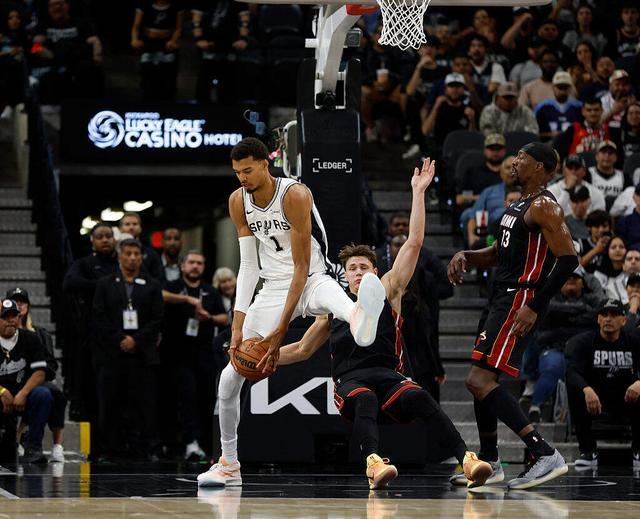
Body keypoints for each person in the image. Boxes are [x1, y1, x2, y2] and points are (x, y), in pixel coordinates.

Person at [277, 160, 493, 489]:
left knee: (421, 397)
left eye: (364, 267)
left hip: (389, 377)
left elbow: (414, 243)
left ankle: (467, 459)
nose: (358, 272)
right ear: (344, 274)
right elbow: (303, 349)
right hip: (350, 383)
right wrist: (267, 357)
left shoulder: (389, 290)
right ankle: (374, 464)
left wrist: (418, 192)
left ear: (375, 273)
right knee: (365, 399)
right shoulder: (334, 306)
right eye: (353, 268)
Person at [197, 137, 387, 487]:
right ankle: (229, 464)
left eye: (248, 170)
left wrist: (279, 331)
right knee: (228, 379)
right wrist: (238, 326)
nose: (242, 178)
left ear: (265, 164)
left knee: (337, 302)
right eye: (237, 172)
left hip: (312, 277)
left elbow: (301, 268)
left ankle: (361, 316)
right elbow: (248, 266)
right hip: (271, 287)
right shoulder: (238, 201)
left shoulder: (295, 195)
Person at [448, 142, 577, 489]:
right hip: (500, 296)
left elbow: (568, 259)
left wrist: (534, 305)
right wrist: (467, 255)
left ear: (539, 167)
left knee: (479, 380)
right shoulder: (517, 204)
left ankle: (545, 453)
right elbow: (498, 253)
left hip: (519, 298)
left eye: (522, 158)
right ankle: (491, 461)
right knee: (478, 381)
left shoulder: (545, 206)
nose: (514, 162)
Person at [91, 238, 164, 461]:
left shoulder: (152, 285)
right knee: (110, 403)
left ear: (141, 257)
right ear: (119, 256)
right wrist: (120, 339)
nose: (132, 258)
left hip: (142, 355)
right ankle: (109, 449)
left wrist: (136, 340)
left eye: (136, 254)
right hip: (112, 353)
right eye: (128, 253)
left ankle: (144, 449)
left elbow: (157, 319)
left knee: (143, 405)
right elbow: (99, 316)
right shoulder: (105, 283)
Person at [162, 251, 228, 461]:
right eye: (191, 262)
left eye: (199, 263)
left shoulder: (210, 291)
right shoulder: (173, 286)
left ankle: (205, 443)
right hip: (177, 352)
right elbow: (161, 294)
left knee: (206, 397)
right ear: (182, 266)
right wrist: (187, 299)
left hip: (204, 352)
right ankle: (187, 442)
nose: (195, 266)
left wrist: (208, 317)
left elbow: (224, 317)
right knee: (185, 397)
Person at [565, 299, 640, 468]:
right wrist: (586, 389)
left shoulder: (634, 341)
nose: (608, 319)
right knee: (575, 390)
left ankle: (639, 450)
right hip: (595, 399)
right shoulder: (583, 342)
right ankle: (588, 451)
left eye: (614, 315)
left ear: (624, 320)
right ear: (598, 319)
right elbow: (571, 372)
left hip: (627, 398)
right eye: (604, 315)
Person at [526, 267, 602, 423]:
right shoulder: (549, 298)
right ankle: (535, 408)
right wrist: (581, 312)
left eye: (575, 278)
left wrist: (563, 322)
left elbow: (597, 316)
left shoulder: (592, 299)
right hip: (555, 348)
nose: (571, 280)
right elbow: (549, 310)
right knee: (552, 368)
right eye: (567, 277)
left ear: (583, 283)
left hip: (584, 352)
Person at [9, 288, 67, 463]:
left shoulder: (39, 334)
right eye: (15, 301)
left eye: (23, 302)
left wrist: (35, 374)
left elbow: (51, 365)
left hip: (36, 380)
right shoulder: (4, 332)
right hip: (10, 381)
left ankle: (56, 445)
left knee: (53, 393)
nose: (19, 305)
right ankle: (17, 436)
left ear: (28, 306)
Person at [0, 300, 50, 464]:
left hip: (22, 393)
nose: (10, 320)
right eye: (4, 317)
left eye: (13, 316)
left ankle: (33, 448)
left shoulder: (31, 338)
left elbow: (40, 373)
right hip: (1, 394)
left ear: (19, 317)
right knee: (6, 451)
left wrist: (23, 393)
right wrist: (2, 392)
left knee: (43, 394)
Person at [131, 0, 183, 100]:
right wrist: (134, 39)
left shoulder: (175, 7)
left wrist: (173, 40)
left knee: (168, 75)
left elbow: (179, 28)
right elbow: (136, 26)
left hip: (167, 44)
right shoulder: (145, 5)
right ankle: (147, 99)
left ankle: (167, 100)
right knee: (147, 73)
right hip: (148, 43)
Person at [463, 156, 515, 247]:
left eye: (514, 168)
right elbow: (473, 216)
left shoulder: (528, 192)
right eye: (507, 168)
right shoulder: (489, 192)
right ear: (501, 173)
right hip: (492, 236)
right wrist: (472, 236)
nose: (511, 171)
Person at [422, 72, 476, 148]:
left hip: (460, 150)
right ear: (445, 89)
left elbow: (472, 139)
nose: (455, 89)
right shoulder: (438, 107)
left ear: (463, 89)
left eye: (458, 86)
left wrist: (472, 121)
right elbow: (425, 131)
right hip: (439, 149)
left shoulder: (468, 110)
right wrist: (435, 108)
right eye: (451, 86)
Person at [456, 133, 506, 208]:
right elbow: (460, 199)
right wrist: (484, 198)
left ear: (504, 151)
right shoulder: (473, 173)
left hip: (503, 209)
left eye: (498, 149)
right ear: (485, 150)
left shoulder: (510, 173)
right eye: (491, 149)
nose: (495, 152)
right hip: (478, 210)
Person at [534, 71, 583, 141]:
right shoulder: (542, 107)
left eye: (565, 88)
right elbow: (534, 132)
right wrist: (551, 135)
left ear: (570, 88)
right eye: (560, 87)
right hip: (547, 144)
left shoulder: (579, 107)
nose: (562, 91)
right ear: (553, 87)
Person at [118, 212, 164, 281]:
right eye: (127, 224)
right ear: (120, 229)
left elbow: (159, 279)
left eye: (135, 224)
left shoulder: (151, 254)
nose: (131, 227)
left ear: (140, 228)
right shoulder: (113, 252)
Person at [467, 33, 505, 104]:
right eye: (473, 46)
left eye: (480, 46)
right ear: (468, 50)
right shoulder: (464, 67)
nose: (476, 49)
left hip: (490, 105)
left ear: (486, 49)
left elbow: (493, 89)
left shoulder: (496, 67)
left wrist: (472, 87)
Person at [588, 140, 627, 209]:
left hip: (616, 213)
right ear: (596, 156)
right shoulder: (587, 174)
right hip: (593, 212)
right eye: (604, 152)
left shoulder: (624, 177)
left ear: (616, 158)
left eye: (610, 153)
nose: (607, 155)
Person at [593, 236, 627, 301]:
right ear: (607, 251)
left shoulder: (632, 271)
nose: (618, 250)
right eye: (613, 247)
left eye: (621, 247)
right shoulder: (599, 274)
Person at [616, 185, 640, 250]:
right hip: (632, 254)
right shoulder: (624, 222)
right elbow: (620, 246)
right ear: (634, 197)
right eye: (639, 194)